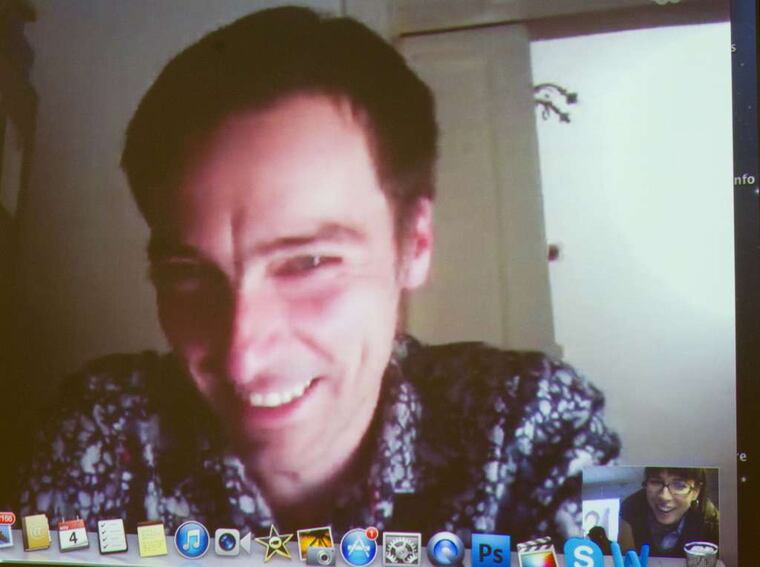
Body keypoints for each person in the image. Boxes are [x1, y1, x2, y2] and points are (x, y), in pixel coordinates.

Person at [16, 6, 620, 542]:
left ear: (415, 243)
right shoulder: (104, 430)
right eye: (189, 274)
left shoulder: (535, 424)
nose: (242, 359)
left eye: (307, 263)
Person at [618, 467, 719, 557]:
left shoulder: (711, 520)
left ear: (696, 491)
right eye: (656, 482)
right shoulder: (631, 507)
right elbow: (626, 559)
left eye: (679, 485)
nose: (664, 497)